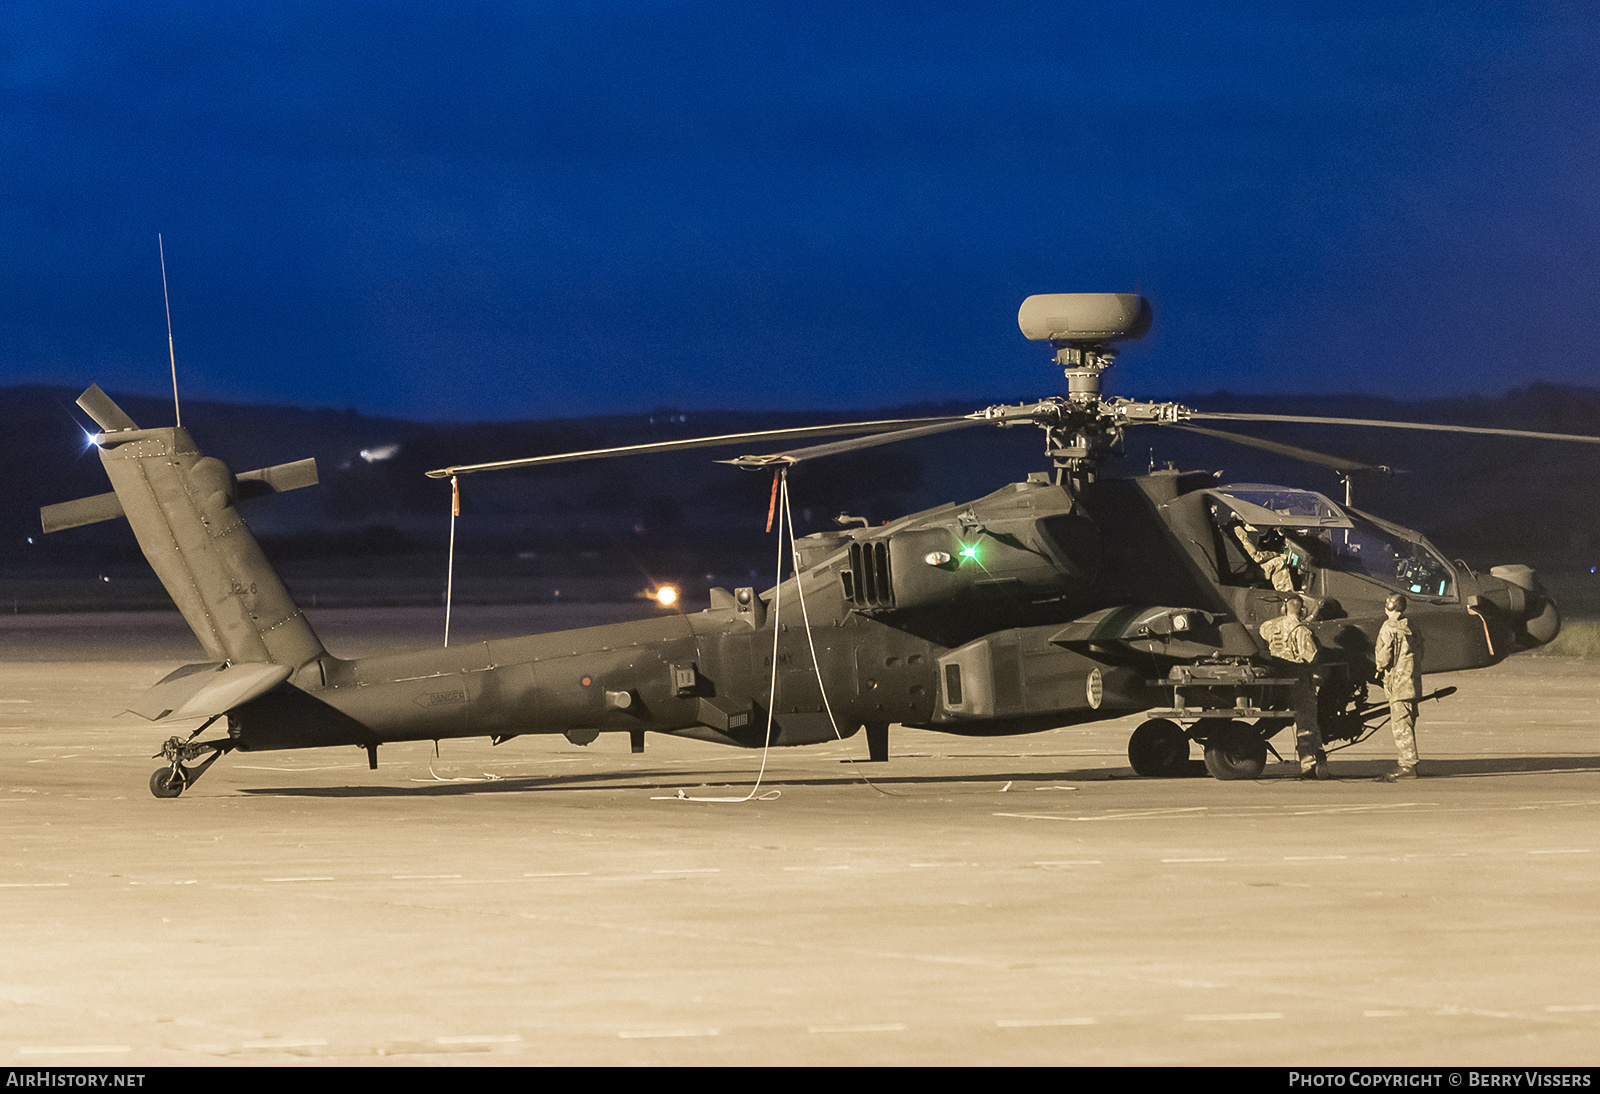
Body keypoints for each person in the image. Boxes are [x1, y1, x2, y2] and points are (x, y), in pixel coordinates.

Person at [1259, 594, 1327, 779]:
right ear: (1303, 610)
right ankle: (1309, 763)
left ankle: (1316, 758)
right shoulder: (1301, 631)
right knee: (1306, 722)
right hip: (1299, 681)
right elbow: (1311, 656)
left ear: (1284, 608)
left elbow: (1262, 632)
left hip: (1278, 680)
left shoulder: (1271, 626)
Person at [1373, 593, 1423, 781]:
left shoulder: (1388, 627)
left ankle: (1408, 765)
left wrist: (1378, 666)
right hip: (1411, 680)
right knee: (1408, 722)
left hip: (1398, 682)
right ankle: (1408, 762)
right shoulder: (1412, 626)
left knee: (1401, 725)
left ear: (1388, 607)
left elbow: (1384, 656)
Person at [1232, 521, 1297, 593]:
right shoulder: (1240, 533)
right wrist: (1278, 555)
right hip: (1247, 572)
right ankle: (1287, 594)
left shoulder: (1234, 528)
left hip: (1243, 569)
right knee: (1279, 562)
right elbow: (1257, 557)